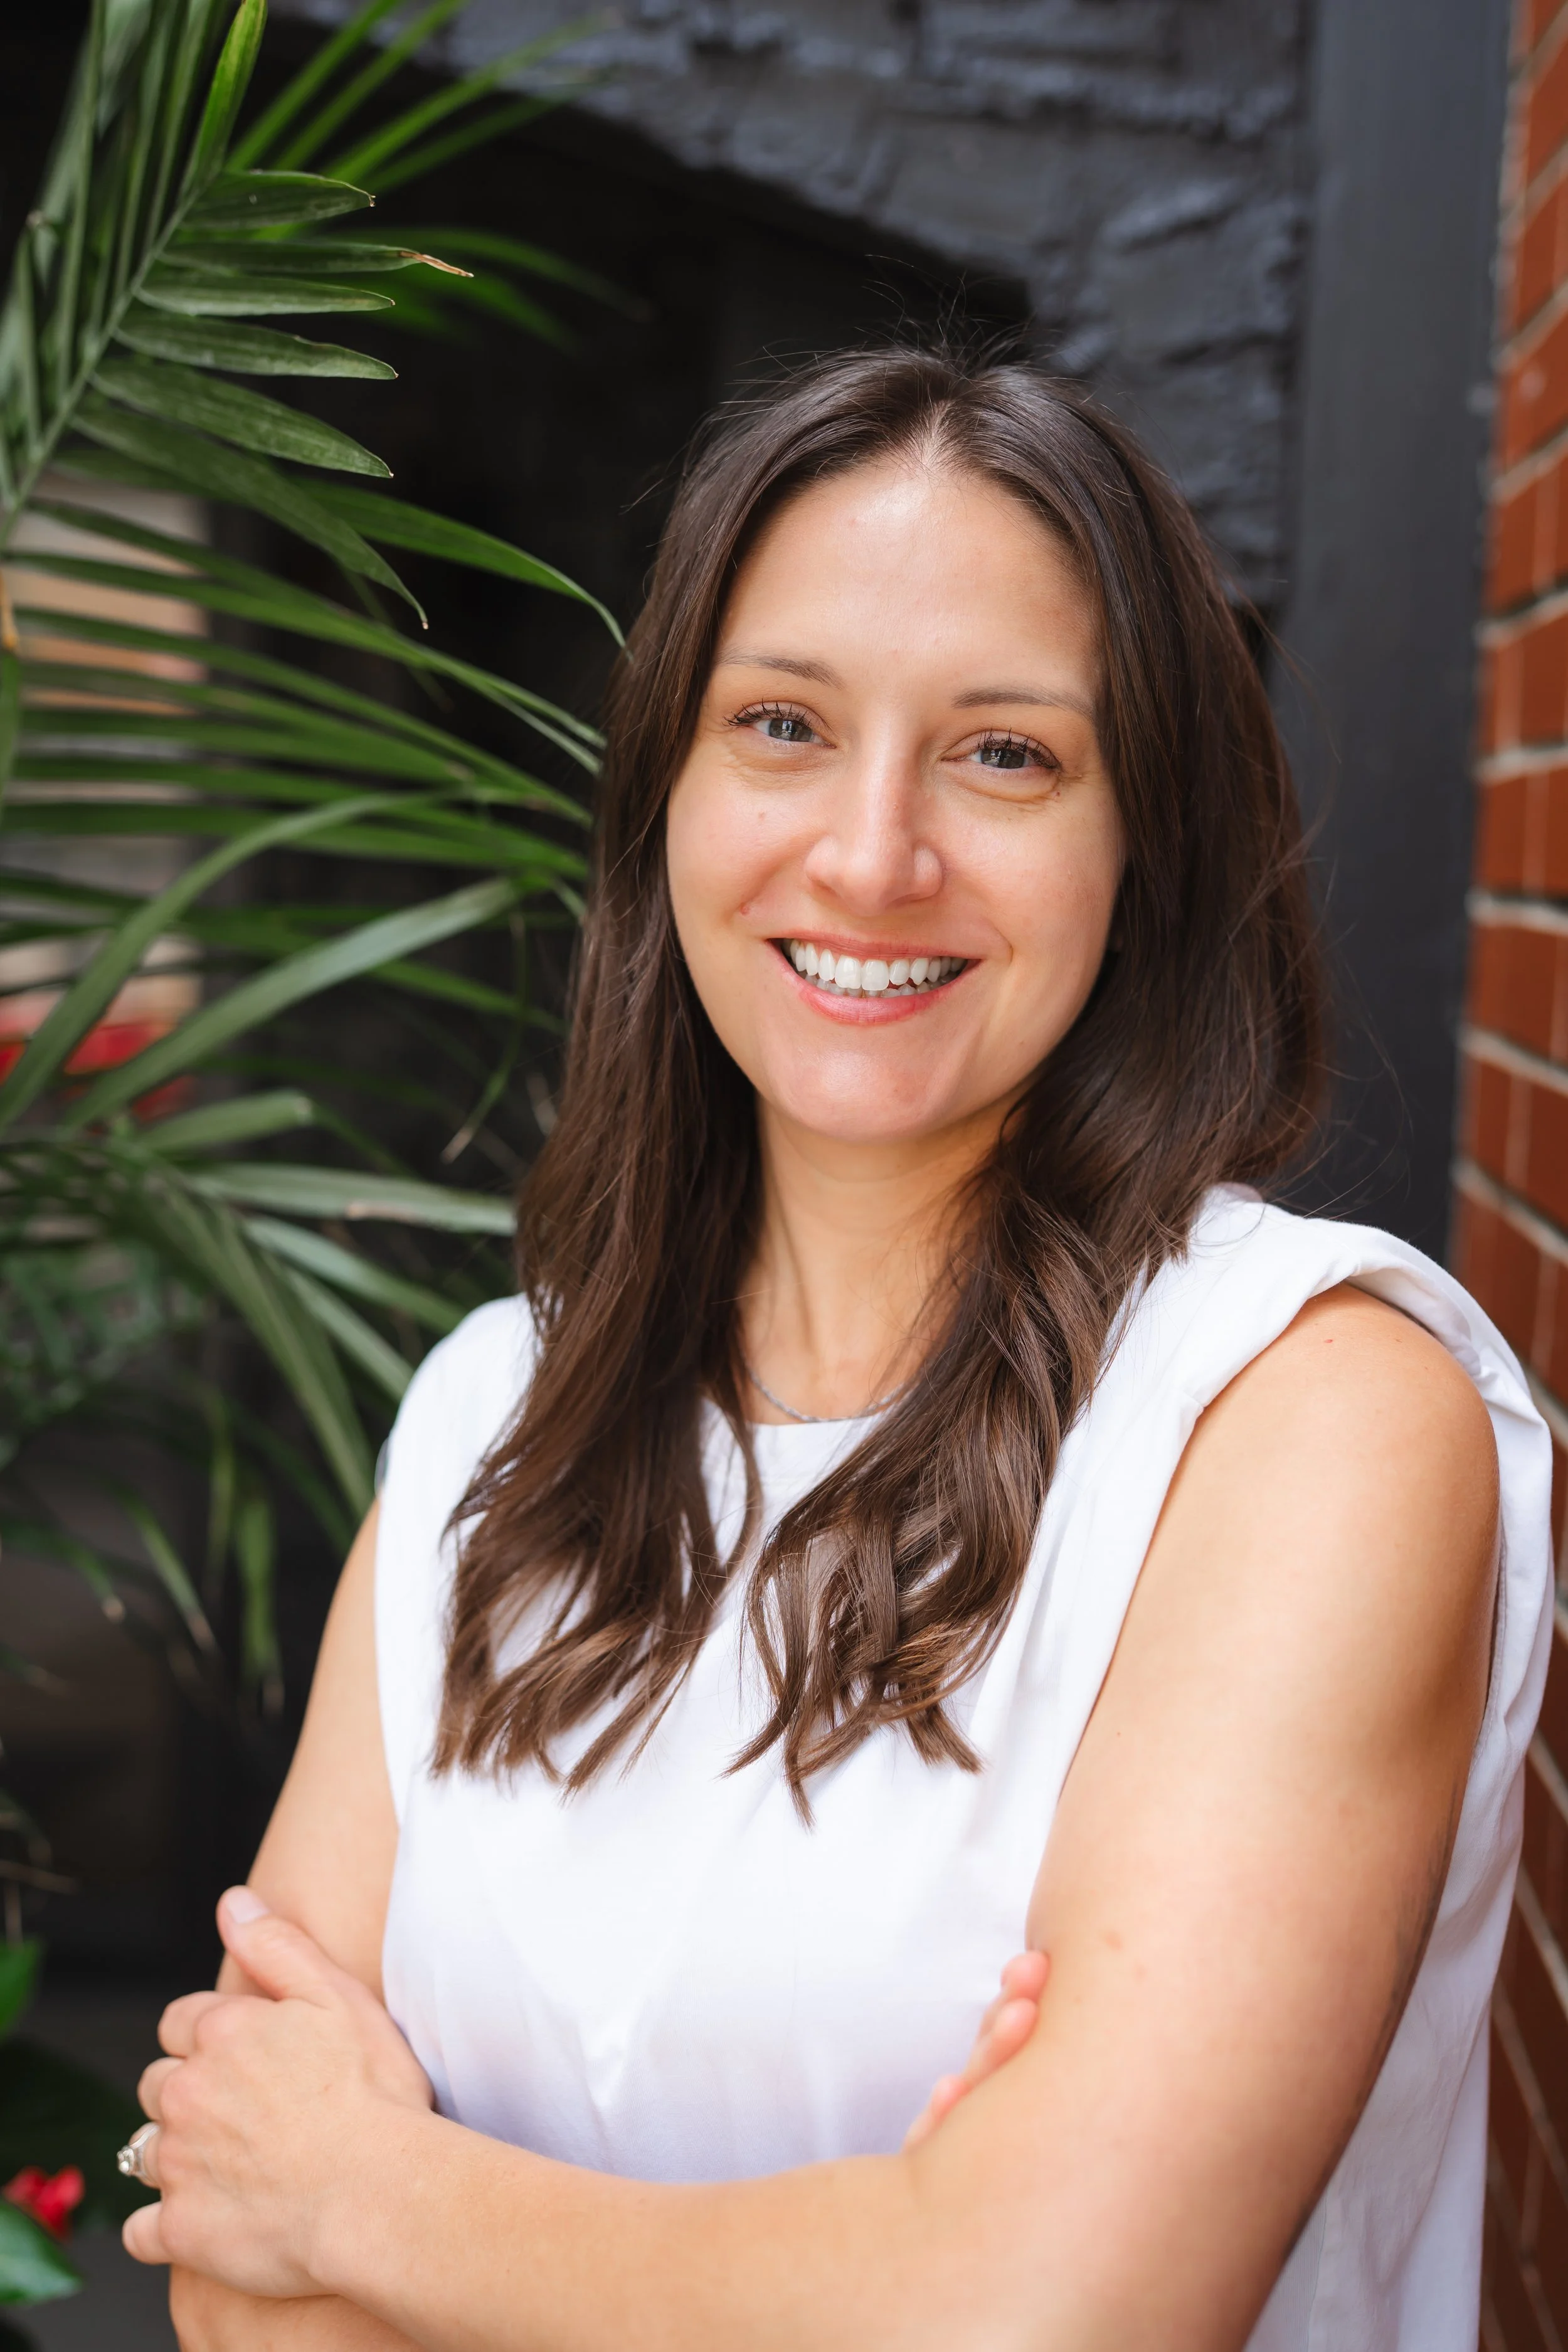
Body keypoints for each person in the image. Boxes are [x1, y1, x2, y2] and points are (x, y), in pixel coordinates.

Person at [121, 349, 1552, 2352]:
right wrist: (886, 2246)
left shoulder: (1300, 1418)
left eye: (1004, 756)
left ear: (1143, 841)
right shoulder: (485, 1428)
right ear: (670, 792)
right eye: (781, 723)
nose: (871, 857)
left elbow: (1057, 2310)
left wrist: (382, 2192)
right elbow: (230, 2274)